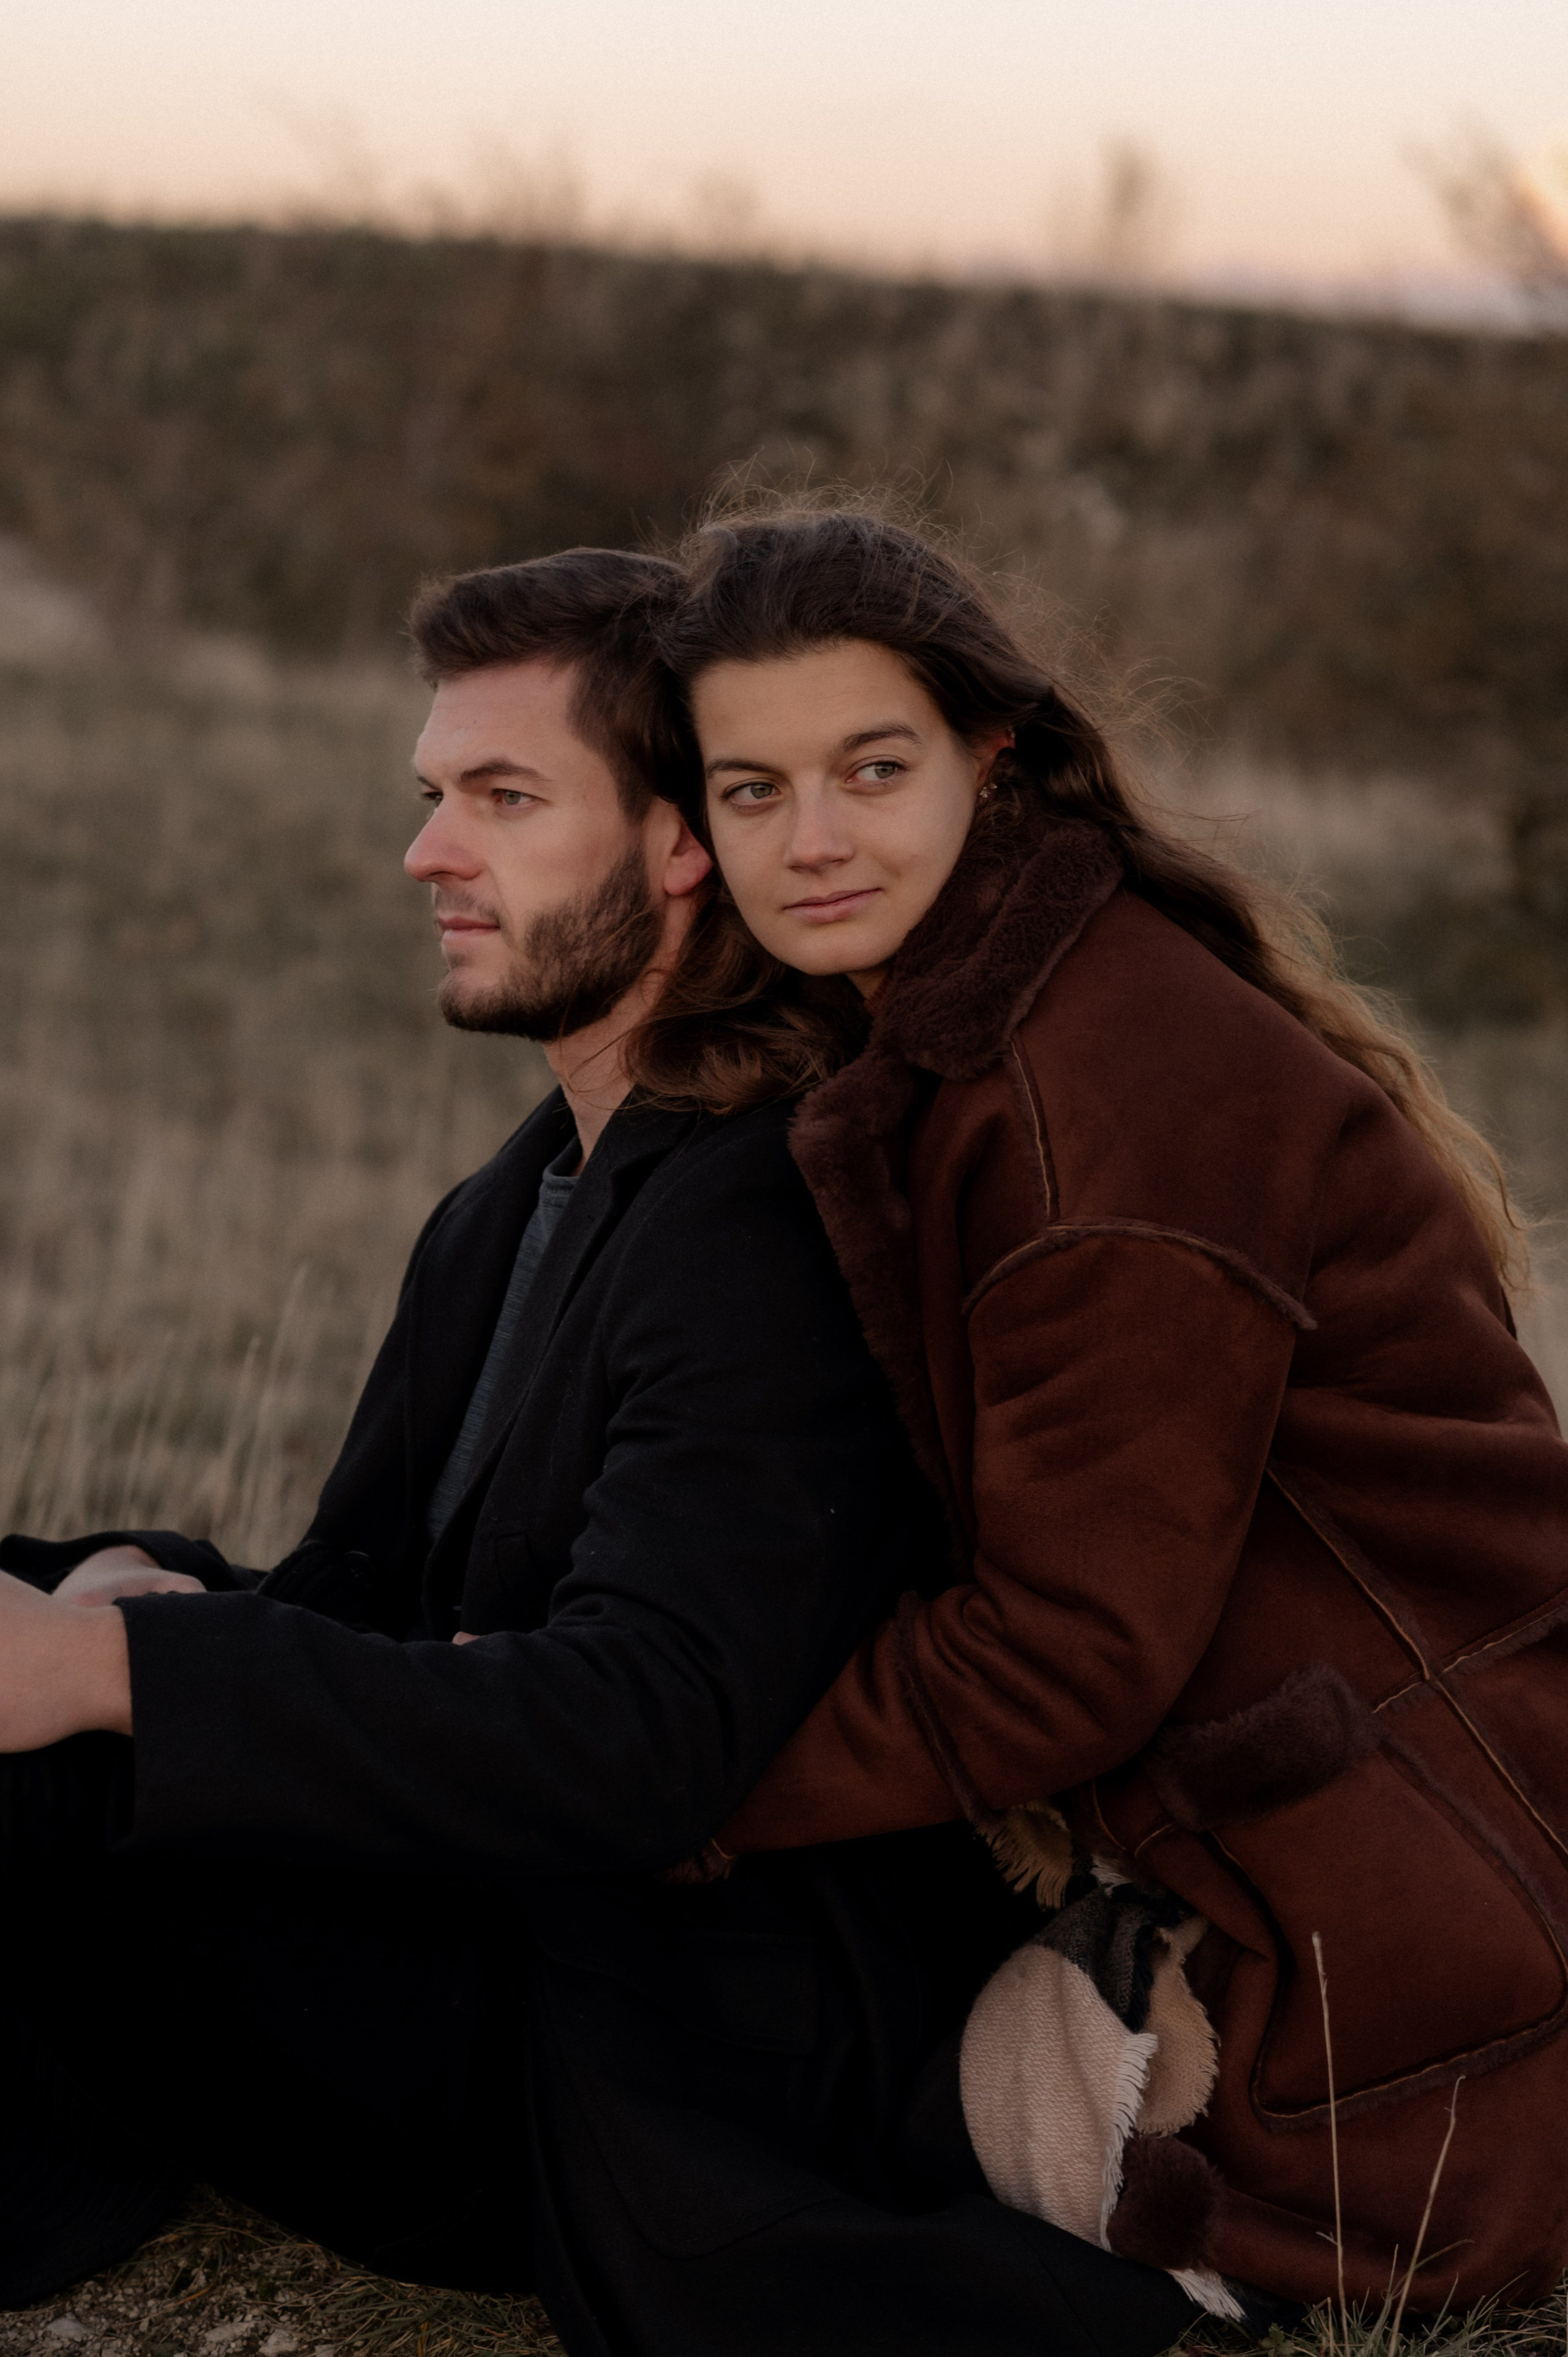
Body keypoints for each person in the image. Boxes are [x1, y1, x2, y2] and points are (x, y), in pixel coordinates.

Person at [0, 549, 1227, 2357]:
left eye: (504, 800)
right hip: (491, 1909)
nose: (430, 852)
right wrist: (127, 1599)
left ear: (684, 848)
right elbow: (372, 1599)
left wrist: (118, 1672)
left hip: (616, 2026)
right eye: (435, 797)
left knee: (52, 1753)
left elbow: (645, 1734)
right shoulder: (527, 1193)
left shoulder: (768, 1214)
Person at [644, 503, 1568, 2320]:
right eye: (751, 791)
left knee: (918, 2138)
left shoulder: (1097, 1104)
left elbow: (1064, 1654)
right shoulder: (1007, 996)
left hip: (1434, 1851)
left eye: (871, 767)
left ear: (995, 754)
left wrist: (666, 1773)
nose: (813, 839)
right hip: (1374, 1782)